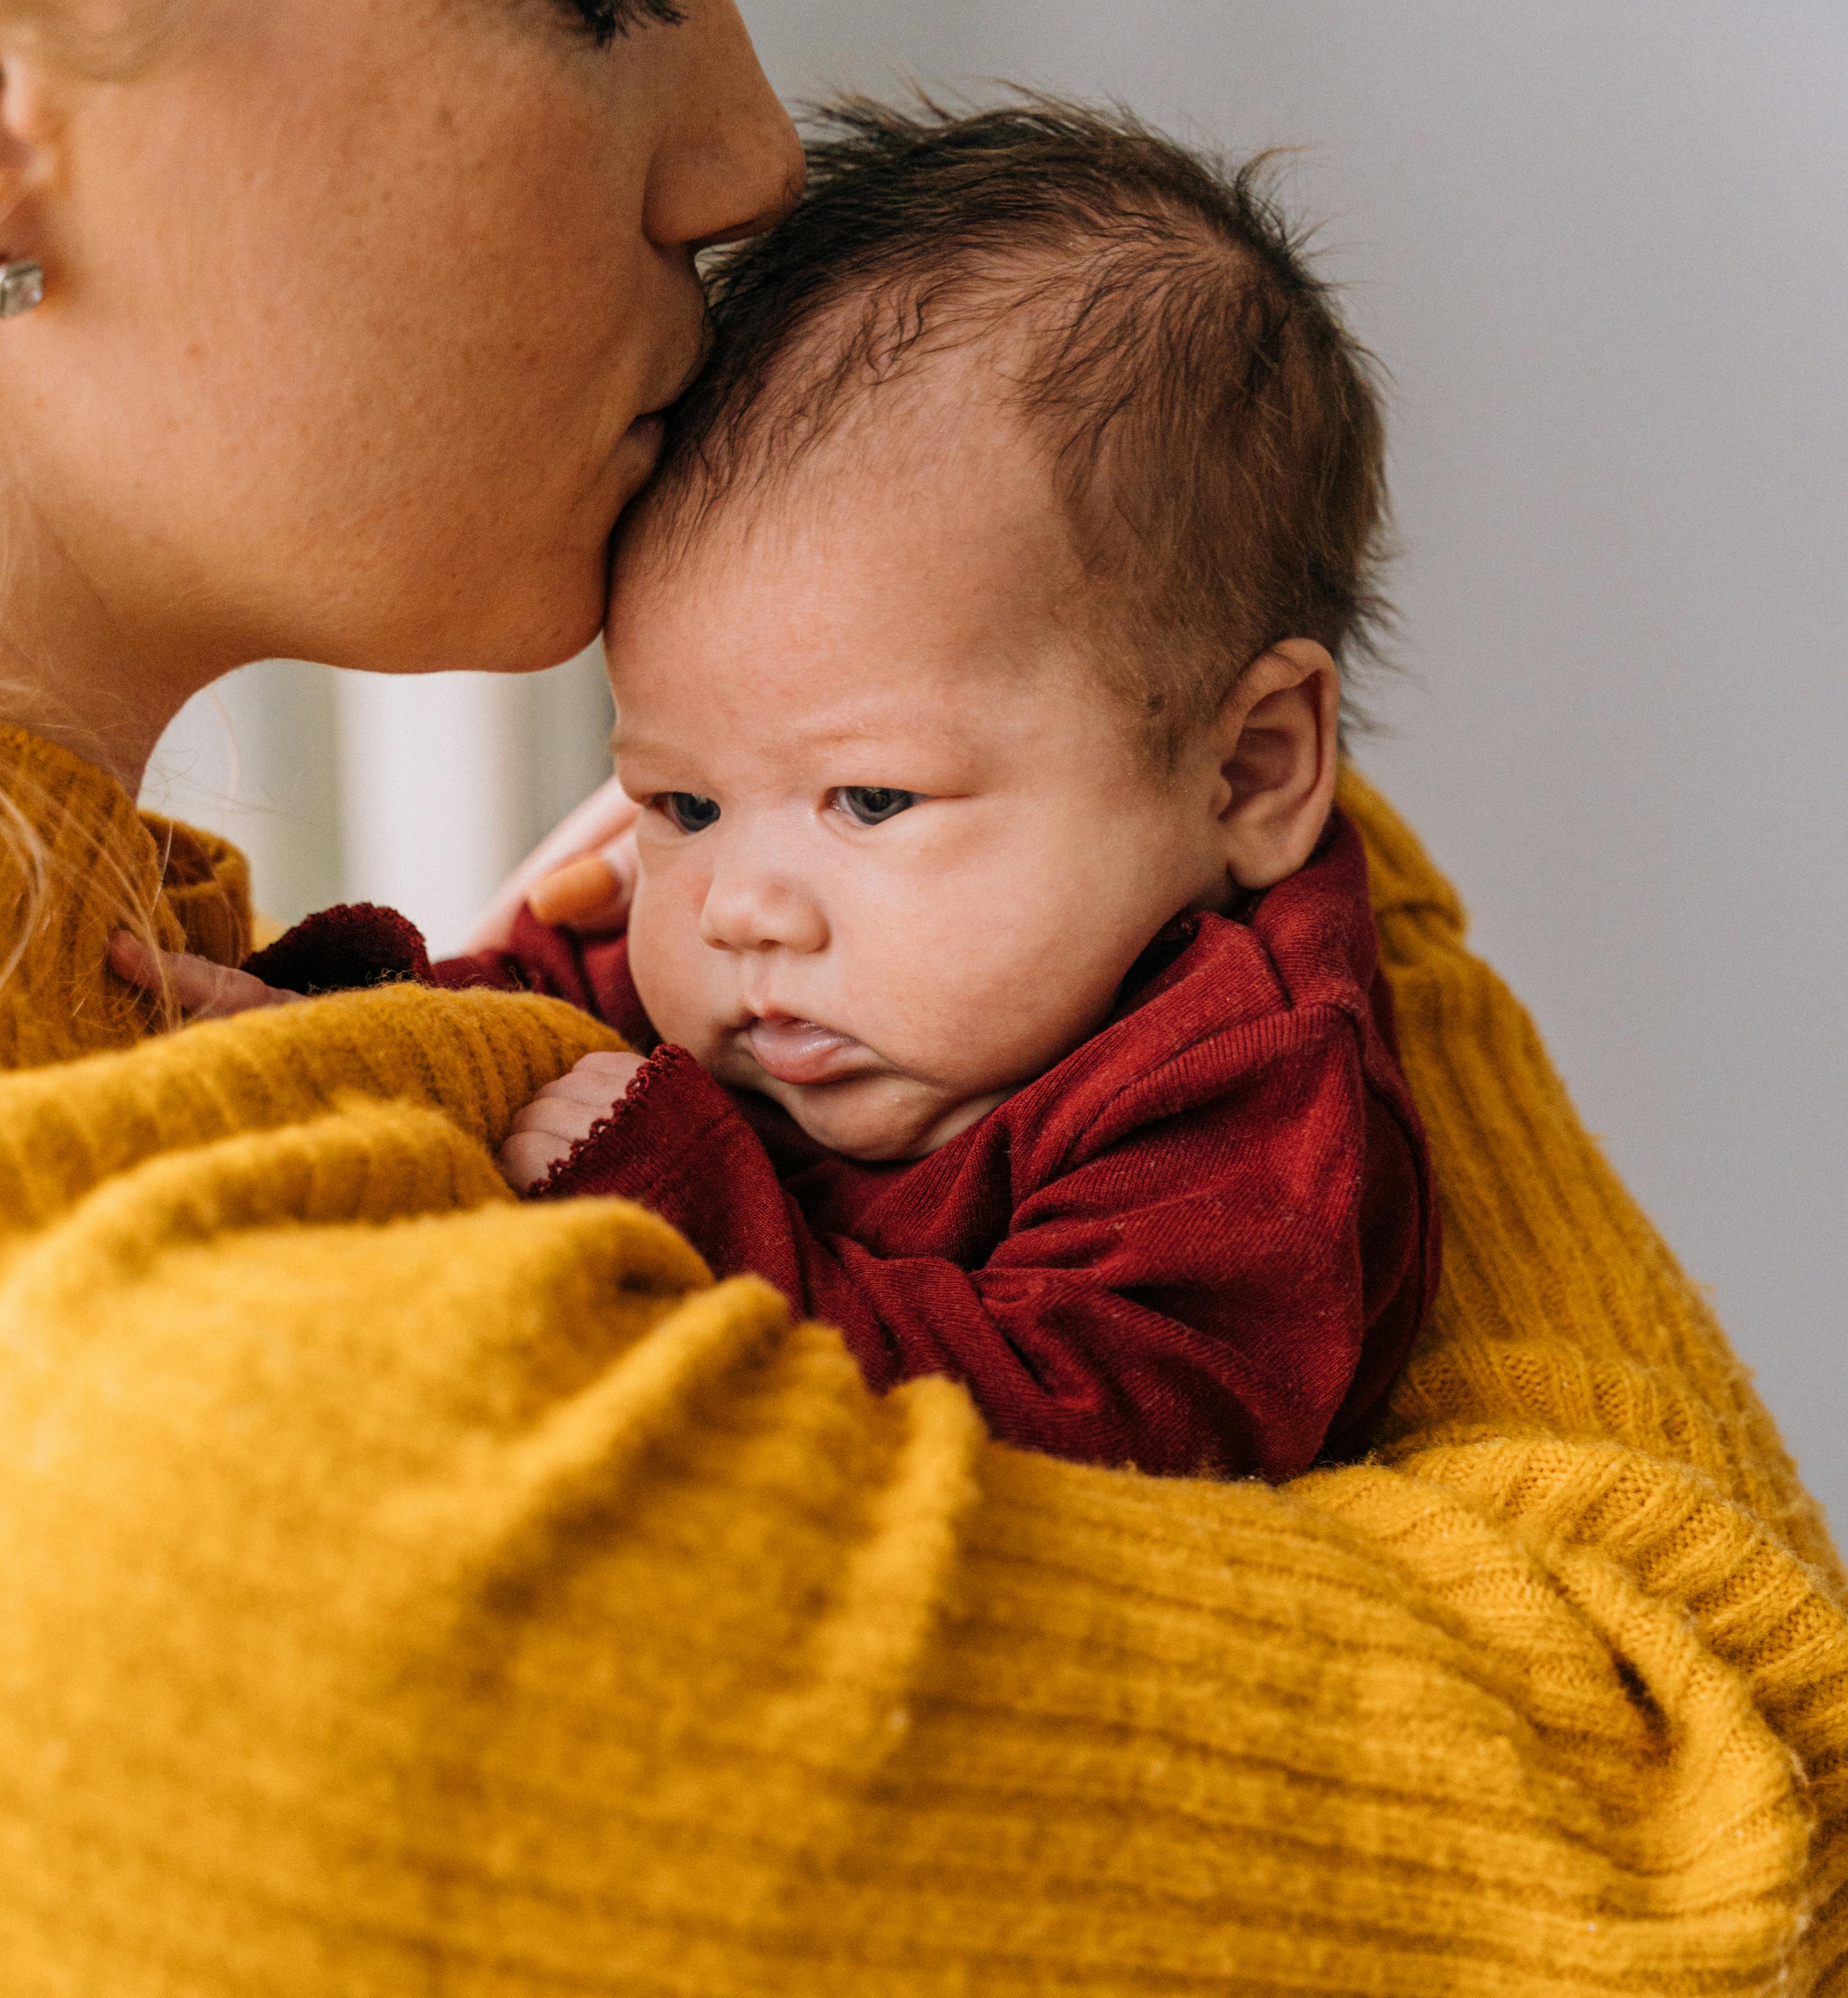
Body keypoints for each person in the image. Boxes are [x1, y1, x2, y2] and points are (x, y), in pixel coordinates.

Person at [0, 11, 1841, 1998]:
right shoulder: (230, 1440)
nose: (741, 143)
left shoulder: (170, 1040)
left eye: (857, 805)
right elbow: (1701, 1800)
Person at [164, 107, 1443, 1485]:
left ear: (1250, 769)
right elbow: (516, 1040)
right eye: (682, 804)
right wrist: (338, 1047)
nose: (744, 910)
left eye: (873, 801)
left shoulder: (1233, 1089)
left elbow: (1102, 1451)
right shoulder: (739, 980)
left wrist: (683, 1206)